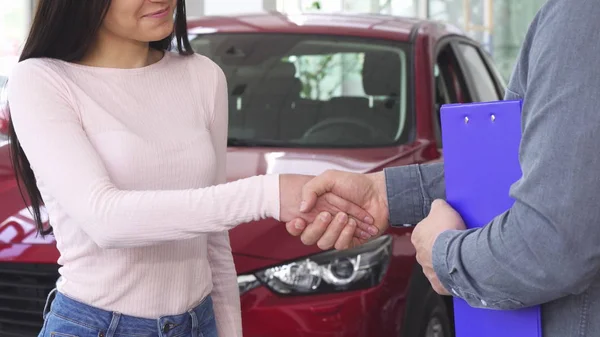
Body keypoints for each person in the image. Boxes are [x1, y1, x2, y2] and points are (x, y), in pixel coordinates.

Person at [6, 1, 379, 337]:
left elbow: (214, 240)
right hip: (99, 326)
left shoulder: (202, 75)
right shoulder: (43, 80)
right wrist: (269, 194)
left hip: (198, 323)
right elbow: (106, 219)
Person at [287, 1, 600, 336]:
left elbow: (549, 247)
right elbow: (547, 170)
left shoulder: (580, 14)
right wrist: (384, 195)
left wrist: (443, 255)